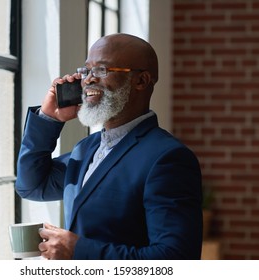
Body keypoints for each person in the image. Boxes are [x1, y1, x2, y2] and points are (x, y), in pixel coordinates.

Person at [15, 33, 203, 260]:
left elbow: (175, 258)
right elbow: (32, 185)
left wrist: (78, 251)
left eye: (101, 70)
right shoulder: (85, 149)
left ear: (141, 81)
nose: (88, 79)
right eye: (86, 71)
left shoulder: (168, 158)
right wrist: (49, 119)